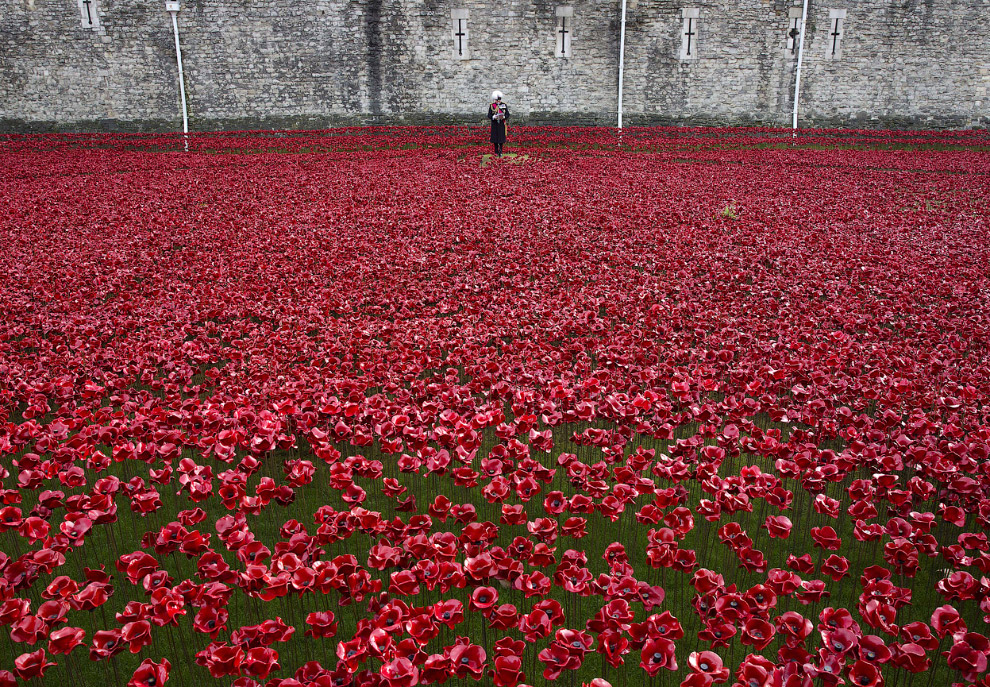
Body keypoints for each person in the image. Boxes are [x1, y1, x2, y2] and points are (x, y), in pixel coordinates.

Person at [487, 91, 510, 157]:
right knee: (495, 139)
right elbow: (489, 115)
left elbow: (507, 114)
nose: (498, 101)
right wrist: (493, 117)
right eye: (497, 100)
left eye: (499, 100)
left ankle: (501, 151)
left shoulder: (504, 105)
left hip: (501, 124)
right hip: (495, 124)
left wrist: (504, 117)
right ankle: (496, 151)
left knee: (501, 139)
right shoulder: (492, 105)